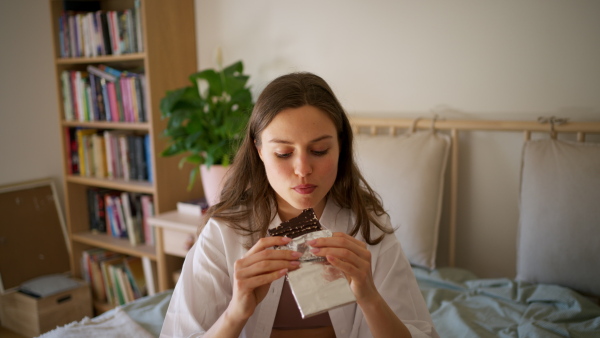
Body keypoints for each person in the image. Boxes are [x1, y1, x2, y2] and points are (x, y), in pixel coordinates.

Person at [160, 72, 438, 338]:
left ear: (340, 147)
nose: (303, 169)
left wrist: (369, 297)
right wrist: (236, 312)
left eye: (319, 151)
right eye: (283, 153)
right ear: (259, 151)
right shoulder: (224, 232)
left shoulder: (368, 228)